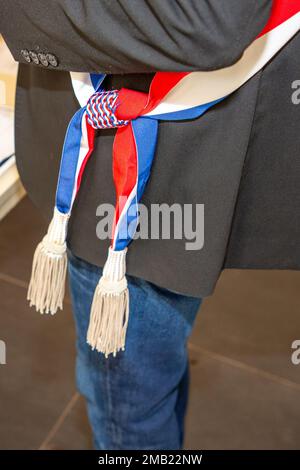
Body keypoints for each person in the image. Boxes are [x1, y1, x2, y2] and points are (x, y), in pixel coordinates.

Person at [1, 0, 300, 450]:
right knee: (149, 380)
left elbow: (210, 23)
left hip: (157, 169)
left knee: (128, 400)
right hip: (137, 131)